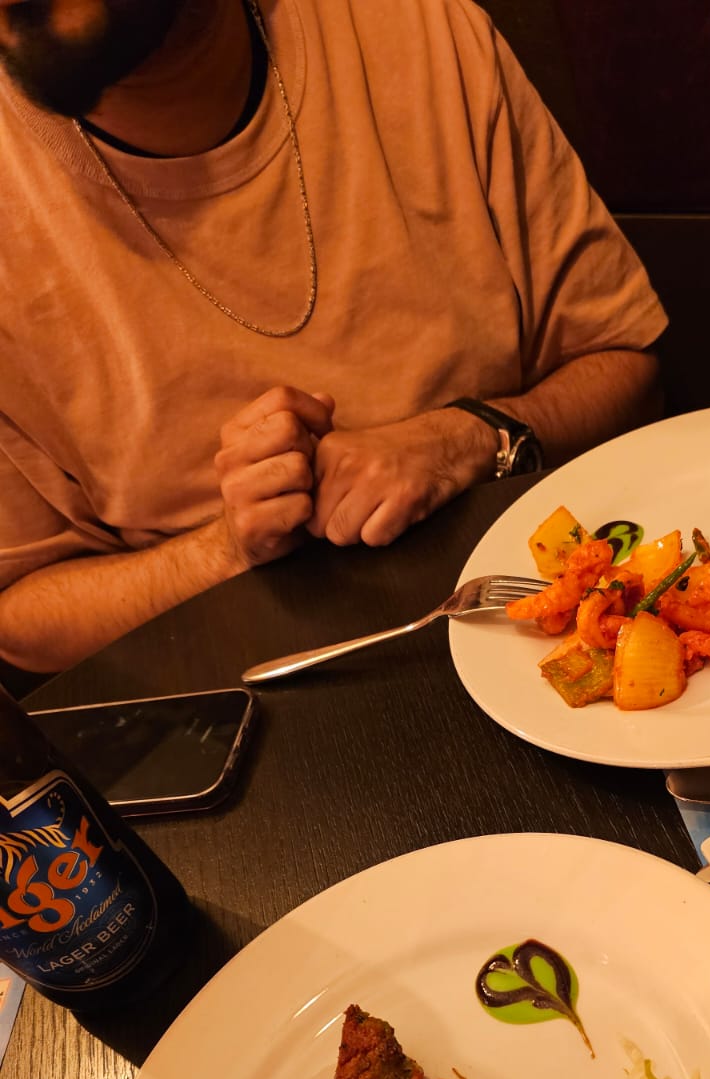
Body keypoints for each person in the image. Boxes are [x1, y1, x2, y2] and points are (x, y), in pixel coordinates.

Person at [0, 0, 666, 672]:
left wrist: (465, 439)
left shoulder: (413, 31)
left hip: (527, 629)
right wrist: (225, 548)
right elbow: (20, 619)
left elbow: (626, 368)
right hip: (214, 689)